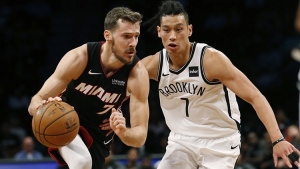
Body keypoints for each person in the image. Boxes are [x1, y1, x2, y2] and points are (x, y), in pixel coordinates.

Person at [140, 0, 300, 168]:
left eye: (179, 29)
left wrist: (278, 139)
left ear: (189, 30)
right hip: (181, 141)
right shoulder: (154, 64)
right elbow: (122, 81)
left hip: (219, 141)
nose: (172, 36)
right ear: (159, 32)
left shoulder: (210, 60)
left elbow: (255, 96)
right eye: (166, 30)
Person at [28, 6, 149, 169]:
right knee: (81, 162)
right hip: (65, 122)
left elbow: (140, 136)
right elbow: (36, 101)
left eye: (136, 37)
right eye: (126, 36)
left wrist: (122, 131)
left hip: (99, 138)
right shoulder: (80, 58)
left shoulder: (137, 74)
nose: (133, 43)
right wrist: (43, 109)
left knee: (86, 163)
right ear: (108, 35)